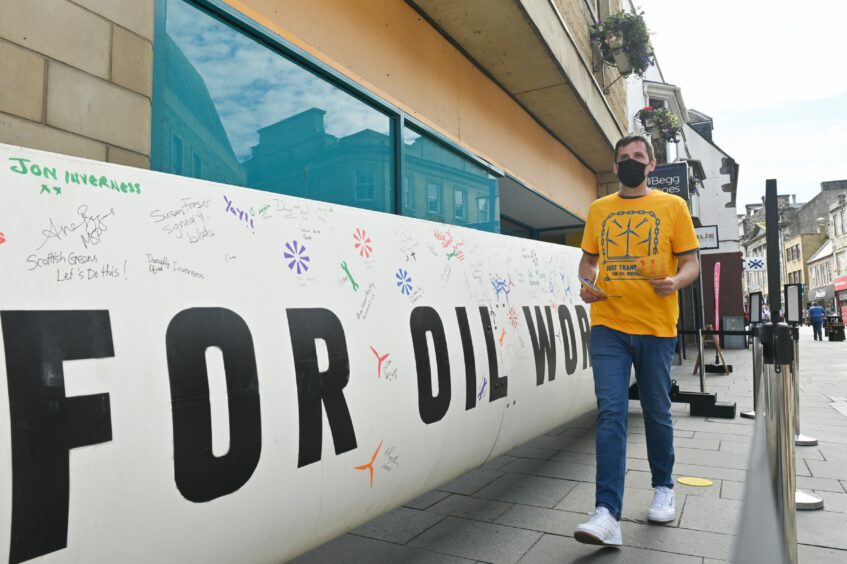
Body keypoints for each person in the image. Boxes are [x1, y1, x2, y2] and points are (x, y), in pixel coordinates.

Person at [573, 135, 700, 546]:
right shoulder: (599, 210)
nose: (630, 163)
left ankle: (664, 486)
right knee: (611, 411)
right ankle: (607, 512)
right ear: (615, 167)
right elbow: (588, 260)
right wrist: (584, 282)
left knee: (656, 411)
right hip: (608, 322)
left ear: (651, 165)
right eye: (623, 158)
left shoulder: (672, 207)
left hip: (657, 327)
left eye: (638, 157)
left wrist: (675, 282)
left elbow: (691, 262)